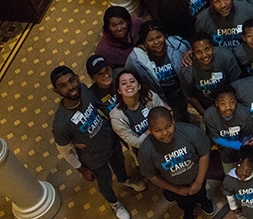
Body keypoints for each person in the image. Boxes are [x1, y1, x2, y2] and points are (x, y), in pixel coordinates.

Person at [51, 66, 144, 219]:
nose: (70, 87)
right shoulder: (60, 124)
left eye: (71, 81)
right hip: (93, 159)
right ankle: (114, 204)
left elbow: (102, 106)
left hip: (110, 140)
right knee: (105, 182)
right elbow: (65, 151)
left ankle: (124, 180)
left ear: (77, 78)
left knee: (119, 163)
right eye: (62, 86)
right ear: (56, 91)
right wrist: (82, 170)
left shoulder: (83, 90)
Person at [138, 107, 215, 218]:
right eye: (158, 130)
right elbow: (152, 176)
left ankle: (203, 201)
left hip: (198, 178)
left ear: (173, 121)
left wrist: (198, 181)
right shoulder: (146, 150)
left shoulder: (191, 131)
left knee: (201, 193)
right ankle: (189, 210)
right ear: (150, 130)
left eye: (168, 126)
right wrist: (176, 190)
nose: (165, 133)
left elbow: (204, 153)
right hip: (174, 186)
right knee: (184, 203)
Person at [125, 20, 191, 121]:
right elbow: (127, 76)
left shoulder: (177, 45)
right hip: (159, 100)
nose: (156, 42)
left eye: (159, 37)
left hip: (184, 94)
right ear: (145, 42)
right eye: (150, 40)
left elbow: (194, 53)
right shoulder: (135, 59)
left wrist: (190, 54)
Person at [180, 33, 240, 115]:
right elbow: (190, 96)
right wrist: (205, 115)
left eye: (207, 49)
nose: (204, 55)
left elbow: (235, 84)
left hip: (228, 103)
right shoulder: (187, 70)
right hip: (206, 106)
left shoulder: (225, 57)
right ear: (193, 52)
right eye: (198, 52)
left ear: (212, 47)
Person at [110, 69, 169, 153]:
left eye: (132, 81)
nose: (128, 85)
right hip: (145, 151)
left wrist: (145, 134)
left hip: (164, 140)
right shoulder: (117, 117)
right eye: (123, 83)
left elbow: (165, 118)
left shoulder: (150, 97)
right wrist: (156, 128)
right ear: (119, 90)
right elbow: (137, 143)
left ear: (139, 86)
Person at [202, 85, 253, 175]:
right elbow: (215, 137)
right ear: (216, 103)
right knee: (229, 174)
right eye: (223, 103)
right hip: (225, 150)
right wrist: (235, 145)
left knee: (246, 173)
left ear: (236, 101)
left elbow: (247, 134)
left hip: (243, 148)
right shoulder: (210, 115)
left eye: (231, 102)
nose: (228, 107)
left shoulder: (243, 113)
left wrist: (243, 147)